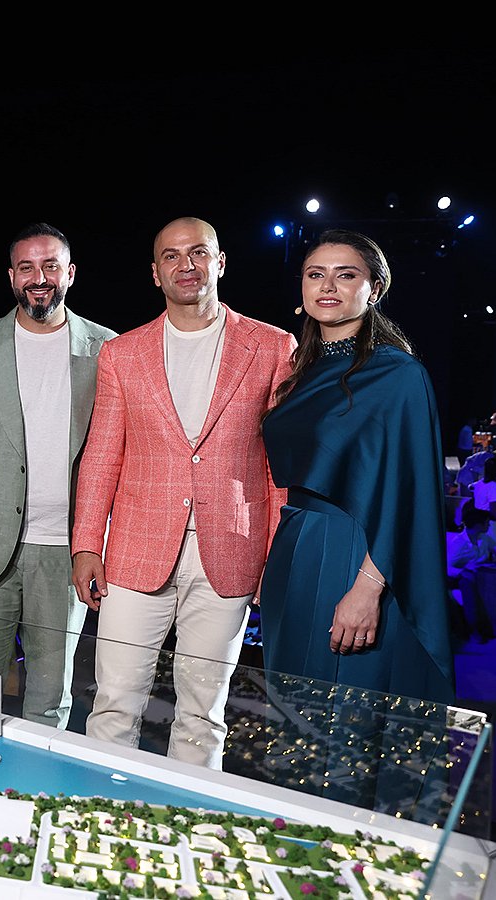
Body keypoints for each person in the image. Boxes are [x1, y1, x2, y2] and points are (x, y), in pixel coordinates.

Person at [71, 216, 296, 770]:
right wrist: (86, 545)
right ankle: (100, 810)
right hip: (134, 552)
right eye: (171, 256)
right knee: (114, 703)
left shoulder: (272, 346)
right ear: (156, 273)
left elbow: (280, 467)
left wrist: (276, 557)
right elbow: (102, 456)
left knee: (203, 715)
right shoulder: (123, 353)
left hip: (231, 551)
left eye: (198, 252)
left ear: (220, 262)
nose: (186, 265)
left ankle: (191, 817)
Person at [258, 230, 458, 814]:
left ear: (374, 289)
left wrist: (368, 588)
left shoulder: (398, 374)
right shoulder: (299, 371)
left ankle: (354, 847)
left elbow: (411, 494)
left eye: (346, 274)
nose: (328, 286)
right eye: (315, 274)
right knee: (296, 716)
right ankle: (296, 840)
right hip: (298, 550)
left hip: (358, 556)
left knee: (348, 718)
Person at [0, 222, 118, 729]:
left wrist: (100, 543)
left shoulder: (108, 349)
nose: (39, 278)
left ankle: (39, 777)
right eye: (26, 267)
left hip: (68, 549)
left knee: (51, 693)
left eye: (50, 266)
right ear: (11, 276)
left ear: (70, 273)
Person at [447, 504, 496, 644]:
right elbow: (448, 567)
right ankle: (474, 629)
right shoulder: (458, 542)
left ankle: (492, 625)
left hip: (478, 575)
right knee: (468, 584)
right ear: (477, 525)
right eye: (486, 523)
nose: (489, 525)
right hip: (457, 577)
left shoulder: (484, 538)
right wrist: (463, 572)